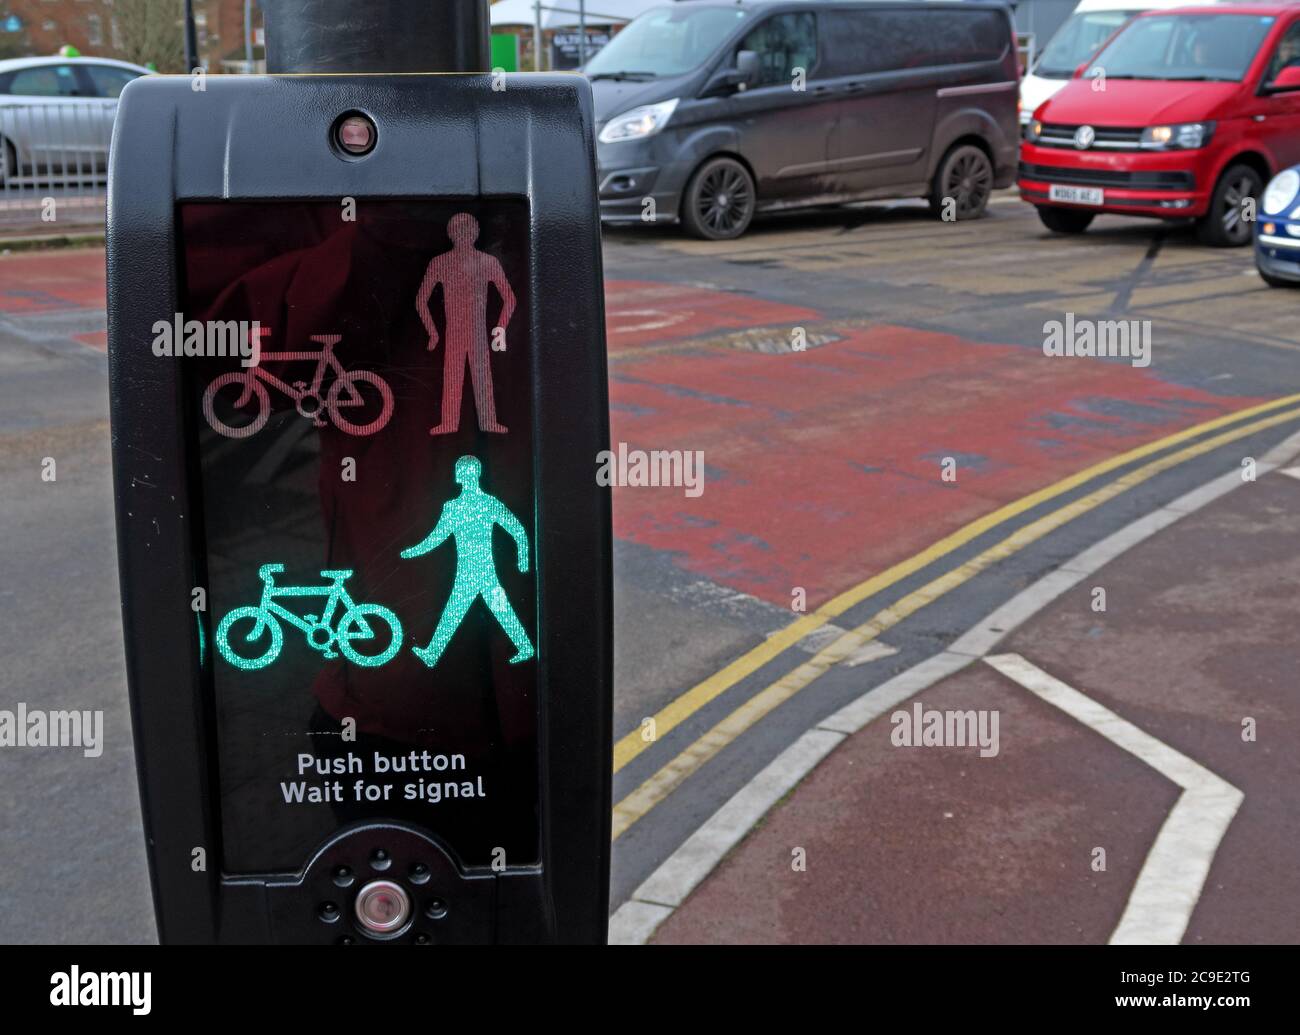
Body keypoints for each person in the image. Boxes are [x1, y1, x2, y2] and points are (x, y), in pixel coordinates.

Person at [400, 455, 534, 667]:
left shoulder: (472, 505)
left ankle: (433, 654)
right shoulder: (473, 505)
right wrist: (523, 560)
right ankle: (525, 647)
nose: (465, 475)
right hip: (474, 574)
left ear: (459, 476)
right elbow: (518, 531)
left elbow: (518, 530)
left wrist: (524, 560)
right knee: (487, 611)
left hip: (476, 575)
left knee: (468, 612)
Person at [416, 213, 517, 435]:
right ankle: (450, 423)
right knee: (453, 376)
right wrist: (432, 332)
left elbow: (509, 297)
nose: (463, 235)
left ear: (476, 233)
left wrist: (500, 329)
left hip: (478, 331)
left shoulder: (487, 261)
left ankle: (487, 422)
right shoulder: (440, 262)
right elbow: (421, 300)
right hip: (454, 332)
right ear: (451, 234)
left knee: (482, 378)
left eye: (467, 230)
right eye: (458, 230)